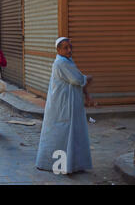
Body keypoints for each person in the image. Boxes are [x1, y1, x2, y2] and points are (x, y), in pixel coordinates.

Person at [36, 37, 94, 174]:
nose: (69, 50)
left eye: (70, 47)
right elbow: (77, 79)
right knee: (61, 134)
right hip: (63, 105)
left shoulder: (67, 61)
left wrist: (85, 89)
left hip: (68, 103)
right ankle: (57, 164)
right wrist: (87, 79)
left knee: (69, 133)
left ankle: (71, 164)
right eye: (66, 48)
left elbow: (77, 78)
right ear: (58, 50)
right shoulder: (61, 63)